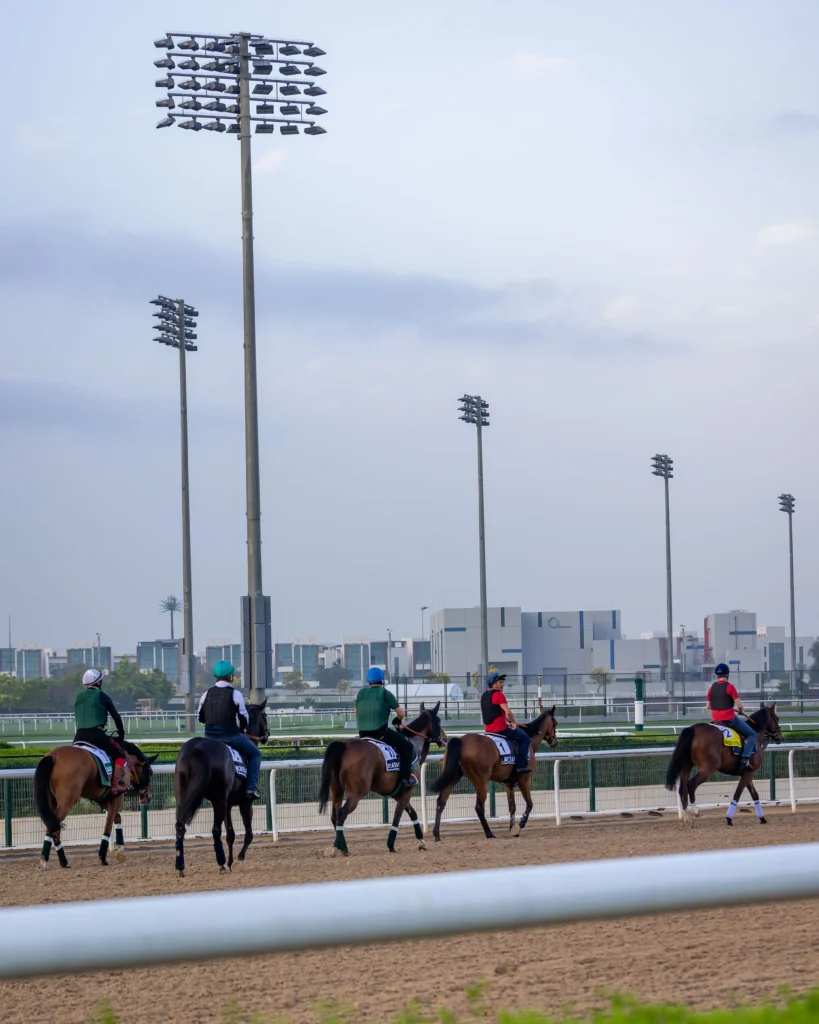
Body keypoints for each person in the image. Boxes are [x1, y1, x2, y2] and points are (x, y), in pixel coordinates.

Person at [198, 661, 262, 799]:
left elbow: (200, 717)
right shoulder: (236, 694)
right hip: (230, 736)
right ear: (230, 677)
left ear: (216, 677)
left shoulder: (205, 694)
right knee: (256, 754)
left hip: (209, 738)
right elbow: (244, 718)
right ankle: (251, 788)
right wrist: (243, 729)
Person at [355, 667, 417, 787]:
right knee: (407, 746)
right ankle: (405, 779)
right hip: (380, 733)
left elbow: (356, 710)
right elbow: (401, 714)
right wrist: (397, 720)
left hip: (362, 733)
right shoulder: (385, 693)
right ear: (382, 680)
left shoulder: (361, 693)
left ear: (368, 681)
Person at [73, 668, 128, 794]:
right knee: (120, 754)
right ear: (97, 682)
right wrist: (121, 735)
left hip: (78, 736)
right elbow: (116, 717)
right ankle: (115, 785)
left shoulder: (78, 697)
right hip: (96, 735)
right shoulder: (103, 696)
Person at [480, 671, 532, 773]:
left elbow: (494, 713)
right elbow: (508, 712)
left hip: (488, 730)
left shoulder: (484, 695)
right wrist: (514, 722)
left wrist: (508, 721)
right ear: (493, 684)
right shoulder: (499, 695)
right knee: (525, 739)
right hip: (500, 729)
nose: (502, 684)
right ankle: (521, 765)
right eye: (500, 682)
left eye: (502, 682)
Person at [706, 663, 756, 768]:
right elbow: (739, 705)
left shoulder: (711, 688)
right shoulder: (730, 687)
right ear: (727, 674)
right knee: (752, 734)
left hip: (715, 721)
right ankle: (745, 757)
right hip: (729, 720)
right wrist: (740, 711)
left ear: (717, 675)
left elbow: (708, 706)